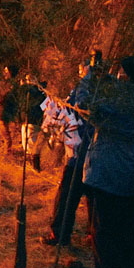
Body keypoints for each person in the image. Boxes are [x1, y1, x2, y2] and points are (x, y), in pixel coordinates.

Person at [82, 54, 134, 268]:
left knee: (106, 236)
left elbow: (87, 106)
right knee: (130, 230)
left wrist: (89, 77)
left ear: (126, 76)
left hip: (110, 176)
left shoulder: (120, 102)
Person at [40, 58, 95, 246]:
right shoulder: (111, 89)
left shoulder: (85, 88)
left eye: (82, 69)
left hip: (80, 152)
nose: (80, 72)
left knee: (67, 196)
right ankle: (94, 236)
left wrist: (50, 105)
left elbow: (72, 110)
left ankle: (60, 234)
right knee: (94, 198)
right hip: (97, 155)